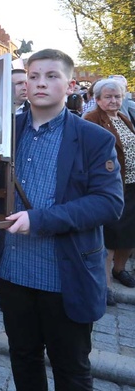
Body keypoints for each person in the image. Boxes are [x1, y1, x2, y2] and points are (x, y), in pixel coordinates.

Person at [0, 49, 123, 390]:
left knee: (71, 370)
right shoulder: (4, 131)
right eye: (34, 76)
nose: (40, 83)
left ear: (70, 85)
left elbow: (108, 204)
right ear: (25, 84)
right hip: (12, 272)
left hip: (64, 276)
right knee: (24, 359)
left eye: (51, 76)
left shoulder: (94, 138)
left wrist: (40, 219)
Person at [84, 78, 135, 306]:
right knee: (111, 236)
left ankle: (120, 270)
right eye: (108, 97)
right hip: (112, 187)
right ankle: (104, 284)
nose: (113, 100)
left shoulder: (124, 118)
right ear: (97, 100)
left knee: (129, 234)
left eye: (117, 96)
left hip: (132, 184)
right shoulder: (91, 119)